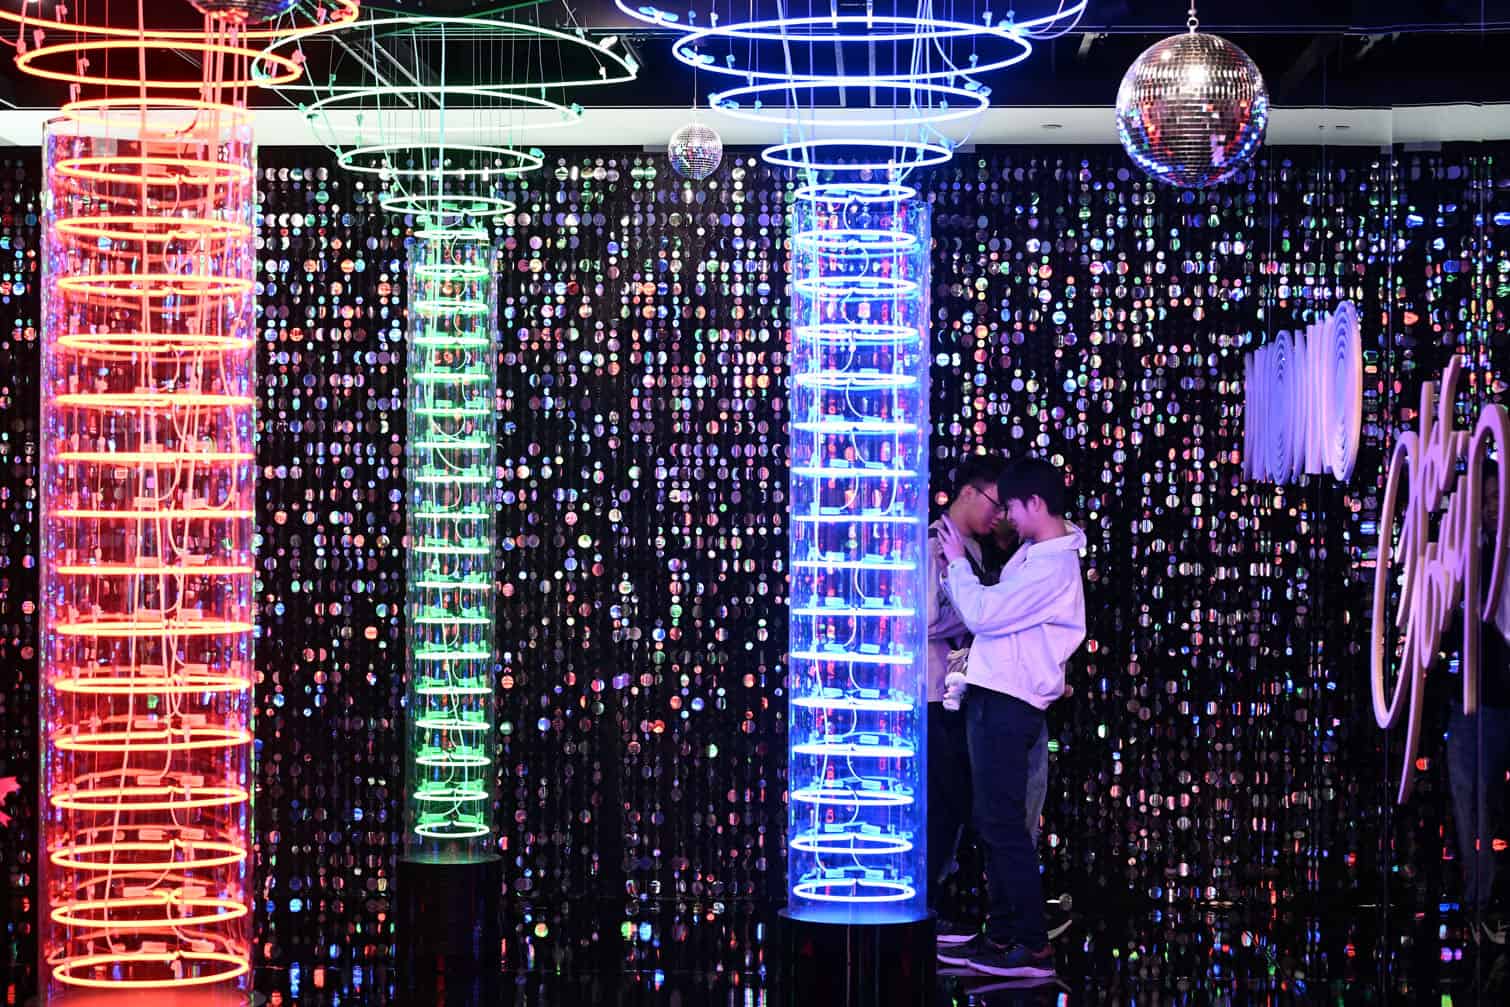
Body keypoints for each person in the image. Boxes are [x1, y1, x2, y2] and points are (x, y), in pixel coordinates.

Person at [935, 457, 1087, 979]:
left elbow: (984, 614)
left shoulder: (1051, 565)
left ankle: (1029, 944)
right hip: (997, 697)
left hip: (1009, 702)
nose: (1008, 520)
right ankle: (1003, 934)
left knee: (1002, 824)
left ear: (1036, 504)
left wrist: (956, 562)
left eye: (1014, 509)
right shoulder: (1037, 555)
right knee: (994, 821)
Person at [926, 454, 1007, 943]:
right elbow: (927, 619)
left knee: (957, 804)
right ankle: (927, 906)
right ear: (970, 494)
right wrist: (984, 615)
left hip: (958, 694)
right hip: (932, 693)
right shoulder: (933, 543)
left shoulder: (972, 552)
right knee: (944, 801)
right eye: (995, 505)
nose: (999, 517)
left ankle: (936, 904)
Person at [1447, 461, 1510, 944]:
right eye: (1483, 500)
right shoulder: (1465, 555)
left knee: (1488, 803)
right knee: (1471, 800)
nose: (1490, 508)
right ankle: (1480, 905)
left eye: (1496, 498)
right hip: (1473, 701)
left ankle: (1490, 904)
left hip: (1498, 698)